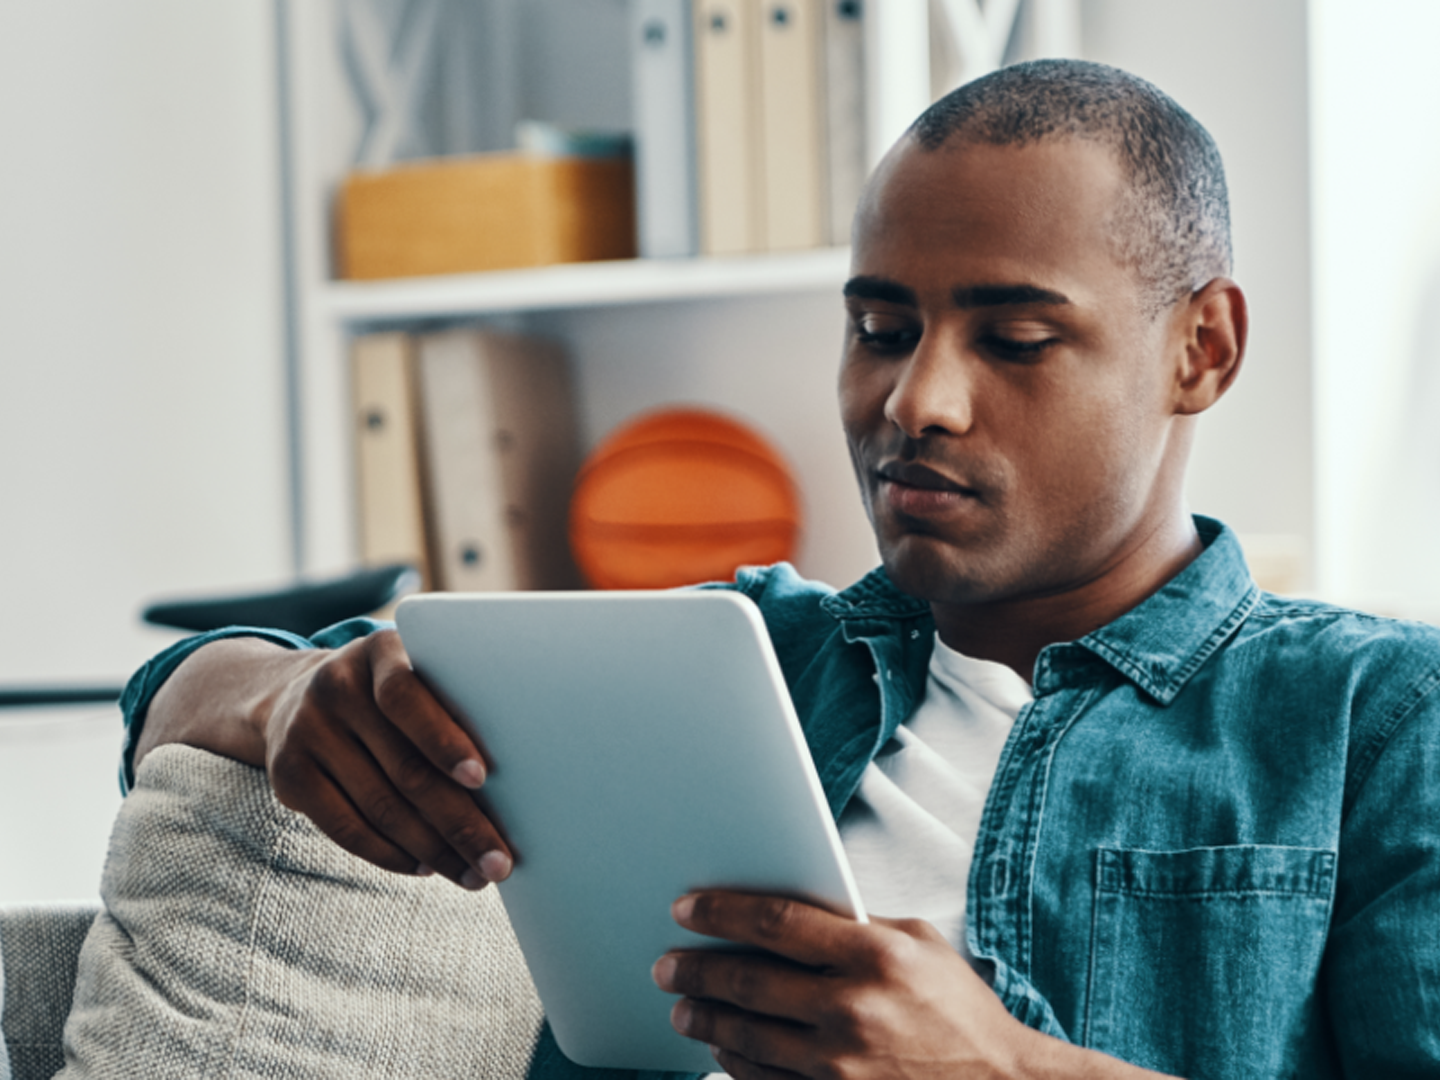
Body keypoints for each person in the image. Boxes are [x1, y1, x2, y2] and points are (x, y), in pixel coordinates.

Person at [118, 59, 1439, 1078]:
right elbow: (188, 684)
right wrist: (287, 700)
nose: (915, 400)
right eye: (878, 327)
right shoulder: (735, 655)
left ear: (1200, 348)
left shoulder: (1373, 722)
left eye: (1018, 340)